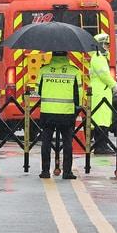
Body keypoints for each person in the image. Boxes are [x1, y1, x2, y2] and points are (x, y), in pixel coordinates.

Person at [36, 51, 82, 180]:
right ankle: (67, 172)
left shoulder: (44, 70)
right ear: (66, 55)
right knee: (67, 143)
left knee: (46, 142)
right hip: (66, 112)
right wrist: (77, 108)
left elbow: (38, 91)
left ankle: (45, 171)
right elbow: (78, 94)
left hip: (48, 112)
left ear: (52, 54)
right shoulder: (74, 71)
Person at [88, 33, 115, 154]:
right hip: (100, 93)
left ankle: (102, 144)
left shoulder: (101, 57)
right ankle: (101, 146)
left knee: (102, 120)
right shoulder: (98, 58)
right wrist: (114, 85)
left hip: (101, 92)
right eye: (106, 44)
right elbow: (104, 75)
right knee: (100, 120)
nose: (108, 46)